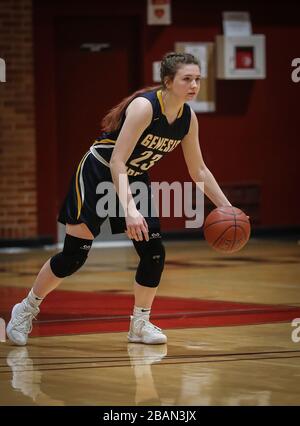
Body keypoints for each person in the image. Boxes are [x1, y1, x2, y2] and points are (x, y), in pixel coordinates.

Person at [6, 52, 231, 347]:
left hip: (133, 177)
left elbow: (198, 169)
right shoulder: (145, 107)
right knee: (74, 256)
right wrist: (130, 210)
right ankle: (25, 309)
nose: (194, 85)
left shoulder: (188, 118)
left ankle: (139, 324)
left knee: (154, 252)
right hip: (100, 170)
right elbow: (117, 161)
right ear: (168, 81)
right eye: (186, 79)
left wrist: (227, 207)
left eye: (197, 79)